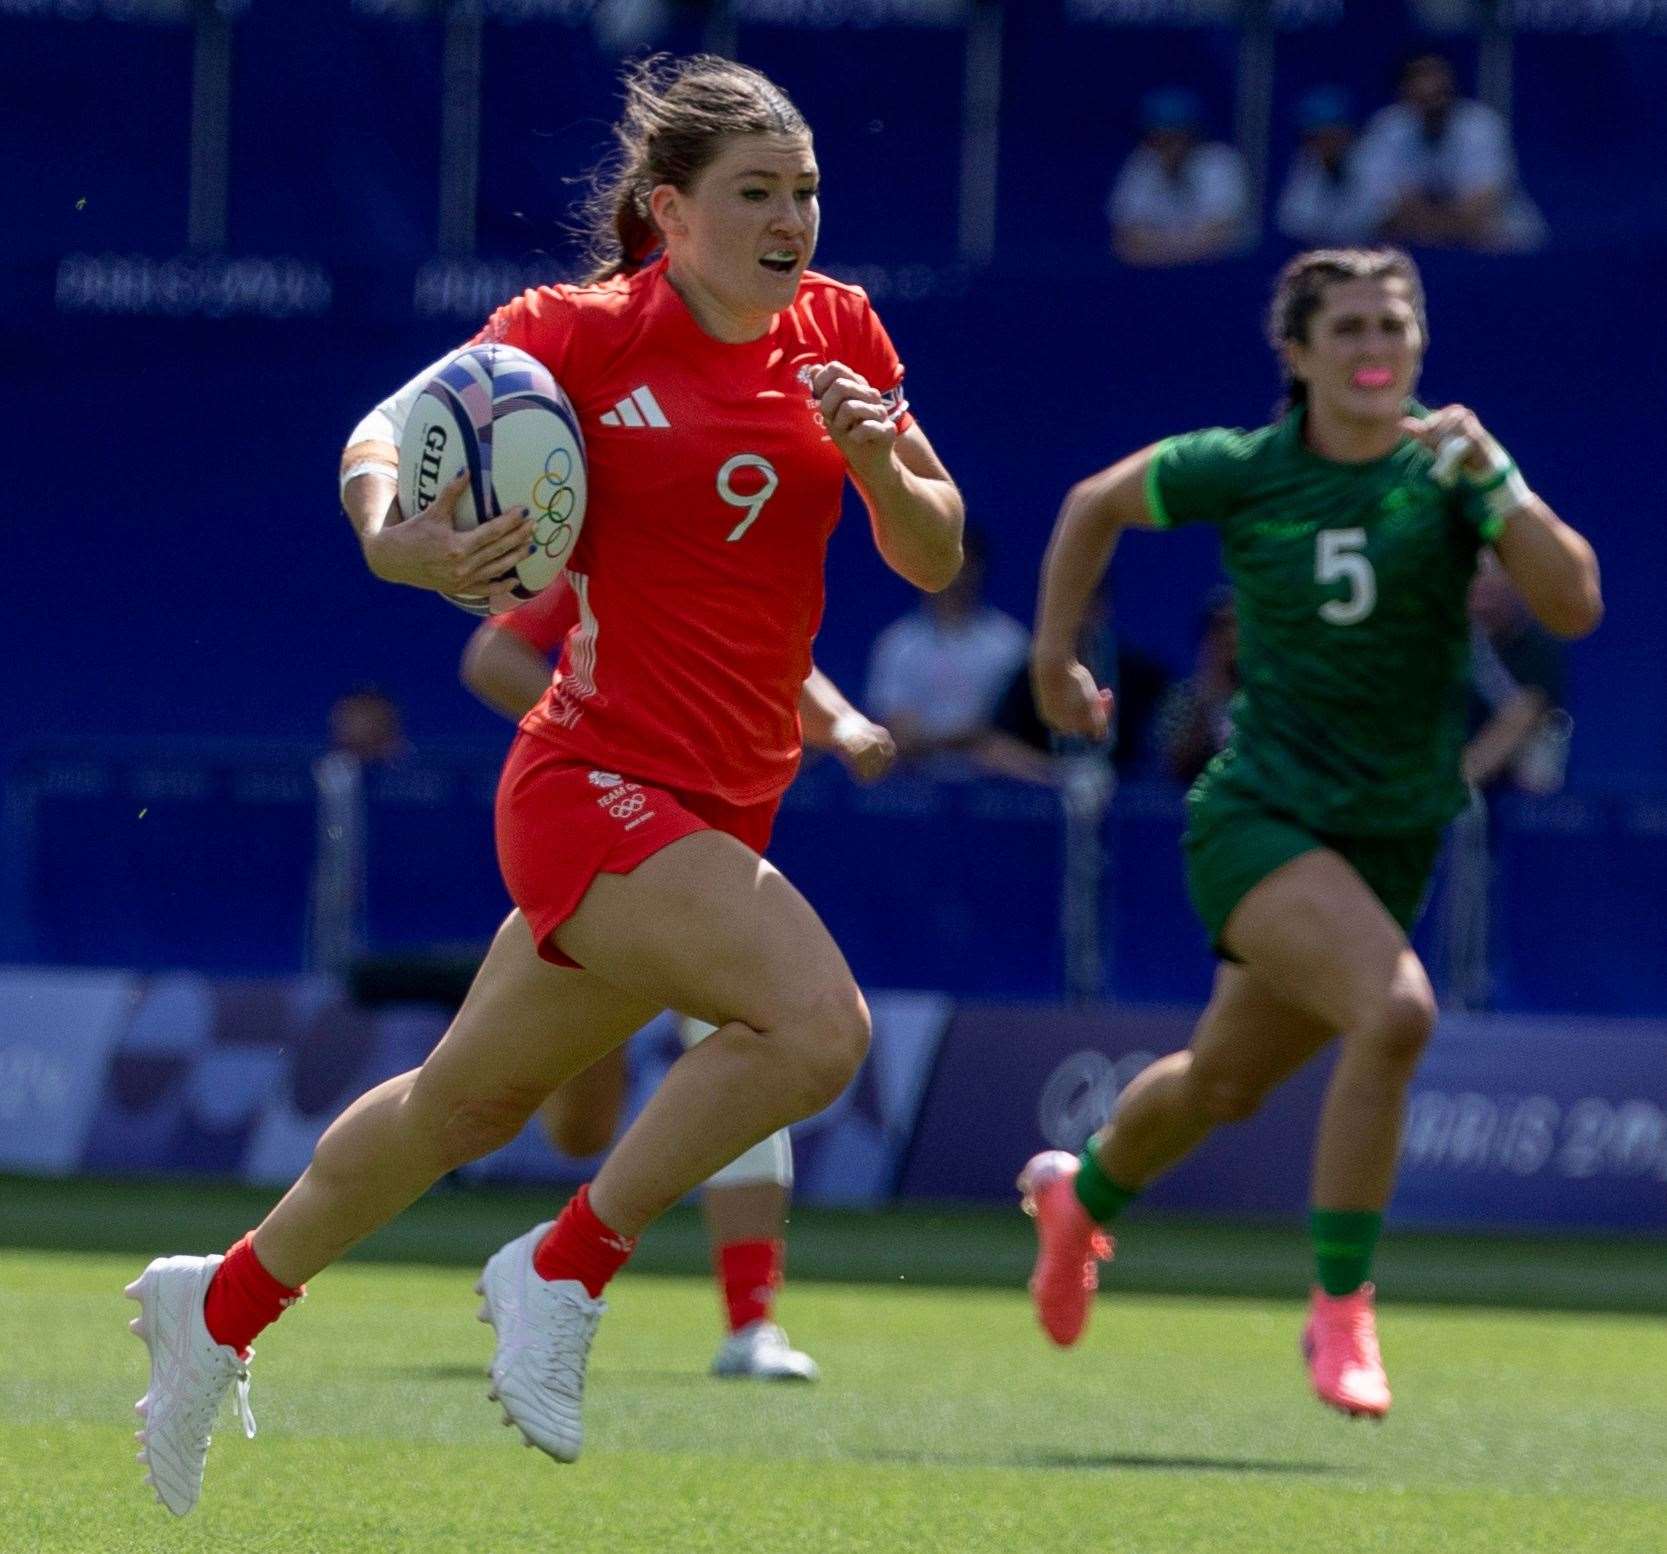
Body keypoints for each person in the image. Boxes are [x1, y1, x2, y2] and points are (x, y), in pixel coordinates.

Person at [126, 53, 963, 1516]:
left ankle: (221, 1303)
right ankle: (565, 1262)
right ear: (668, 208)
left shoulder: (840, 330)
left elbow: (939, 550)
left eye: (806, 191)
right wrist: (394, 537)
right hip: (591, 782)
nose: (792, 220)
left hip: (730, 796)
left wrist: (879, 465)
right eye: (755, 192)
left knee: (459, 1109)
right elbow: (382, 438)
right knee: (815, 1029)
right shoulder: (575, 334)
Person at [1018, 246, 1600, 1419]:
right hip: (1256, 818)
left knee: (1222, 1085)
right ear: (1296, 353)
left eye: (1394, 322)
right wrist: (1050, 660)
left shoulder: (1450, 470)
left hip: (1387, 841)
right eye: (1346, 328)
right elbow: (1094, 503)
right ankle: (1339, 1311)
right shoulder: (1244, 469)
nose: (1375, 345)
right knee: (1393, 1015)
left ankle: (1079, 1196)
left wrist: (1500, 483)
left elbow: (1573, 602)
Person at [458, 576, 896, 1379]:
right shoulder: (619, 543)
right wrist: (588, 724)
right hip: (600, 837)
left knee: (762, 1035)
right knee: (578, 1129)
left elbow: (779, 659)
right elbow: (493, 654)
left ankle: (749, 1323)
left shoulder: (738, 550)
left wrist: (843, 724)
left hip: (712, 848)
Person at [864, 527, 1030, 778]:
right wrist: (971, 738)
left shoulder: (1011, 643)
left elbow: (1016, 735)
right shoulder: (898, 644)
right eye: (943, 563)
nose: (956, 577)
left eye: (965, 565)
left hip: (1000, 787)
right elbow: (898, 734)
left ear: (979, 569)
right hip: (912, 790)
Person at [1354, 52, 1545, 253]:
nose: (1429, 89)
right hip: (1417, 247)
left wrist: (1422, 218)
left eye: (1438, 90)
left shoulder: (1482, 126)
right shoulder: (1387, 128)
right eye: (1421, 81)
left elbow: (1480, 211)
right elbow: (1384, 209)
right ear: (1404, 91)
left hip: (1499, 252)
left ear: (1452, 88)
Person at [1108, 88, 1250, 268]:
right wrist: (1178, 251)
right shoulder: (1142, 163)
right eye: (1156, 139)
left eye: (1173, 138)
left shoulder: (1219, 162)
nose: (1166, 147)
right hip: (1154, 276)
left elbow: (1221, 232)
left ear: (1192, 136)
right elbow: (1125, 238)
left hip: (1217, 274)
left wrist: (1160, 249)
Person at [1154, 586, 1238, 787]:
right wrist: (1208, 699)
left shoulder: (1264, 698)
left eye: (1235, 627)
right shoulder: (1184, 696)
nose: (1229, 639)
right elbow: (1173, 765)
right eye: (1219, 629)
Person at [1275, 88, 1379, 247]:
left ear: (1347, 134)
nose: (1325, 144)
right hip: (1327, 259)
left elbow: (1380, 219)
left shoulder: (1371, 160)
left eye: (1332, 136)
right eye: (1316, 138)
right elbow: (1293, 222)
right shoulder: (1305, 167)